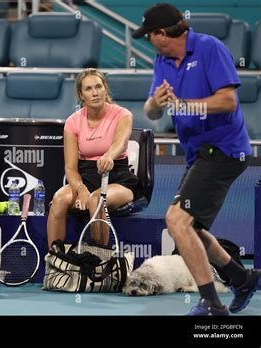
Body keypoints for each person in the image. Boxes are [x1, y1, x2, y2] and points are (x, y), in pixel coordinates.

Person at [133, 3, 260, 315]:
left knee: (176, 221)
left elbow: (228, 100)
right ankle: (241, 277)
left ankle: (211, 304)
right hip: (197, 154)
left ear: (162, 34)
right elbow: (151, 112)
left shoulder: (209, 49)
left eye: (149, 35)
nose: (148, 40)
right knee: (192, 228)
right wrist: (155, 102)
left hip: (224, 150)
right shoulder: (161, 61)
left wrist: (187, 105)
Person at [47, 68, 143, 249]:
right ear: (80, 94)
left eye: (99, 86)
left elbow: (121, 142)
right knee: (59, 199)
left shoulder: (123, 114)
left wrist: (109, 156)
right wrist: (80, 188)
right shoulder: (73, 122)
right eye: (89, 89)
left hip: (118, 177)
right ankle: (55, 259)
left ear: (105, 88)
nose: (95, 92)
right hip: (85, 177)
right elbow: (70, 168)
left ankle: (99, 259)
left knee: (96, 200)